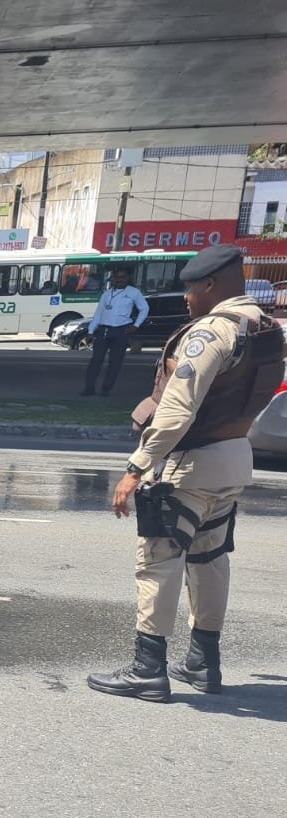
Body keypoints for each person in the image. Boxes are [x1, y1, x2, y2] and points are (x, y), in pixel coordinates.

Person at [88, 245, 285, 701]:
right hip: (234, 460)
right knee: (209, 560)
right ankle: (202, 661)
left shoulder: (212, 332)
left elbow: (177, 412)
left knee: (158, 559)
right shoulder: (266, 328)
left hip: (191, 464)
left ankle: (147, 668)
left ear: (211, 285)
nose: (187, 299)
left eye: (191, 289)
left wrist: (136, 468)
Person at [81, 266, 150, 396]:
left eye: (122, 277)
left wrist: (136, 325)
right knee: (96, 360)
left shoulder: (134, 292)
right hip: (104, 329)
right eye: (117, 277)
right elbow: (98, 314)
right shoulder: (106, 294)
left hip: (121, 330)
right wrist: (91, 331)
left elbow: (144, 309)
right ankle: (89, 388)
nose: (119, 280)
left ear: (127, 278)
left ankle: (106, 389)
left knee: (115, 362)